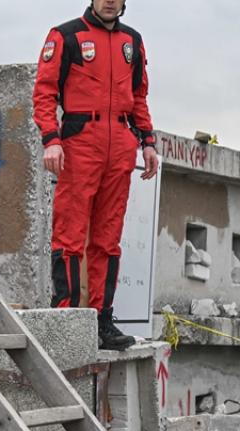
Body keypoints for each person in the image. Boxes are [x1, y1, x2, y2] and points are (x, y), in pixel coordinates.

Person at [33, 0, 159, 350]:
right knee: (70, 233)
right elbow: (44, 93)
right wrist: (51, 139)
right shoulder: (66, 35)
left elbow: (139, 96)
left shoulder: (132, 41)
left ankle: (103, 321)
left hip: (120, 143)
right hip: (80, 139)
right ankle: (67, 319)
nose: (109, 1)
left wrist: (148, 141)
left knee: (108, 239)